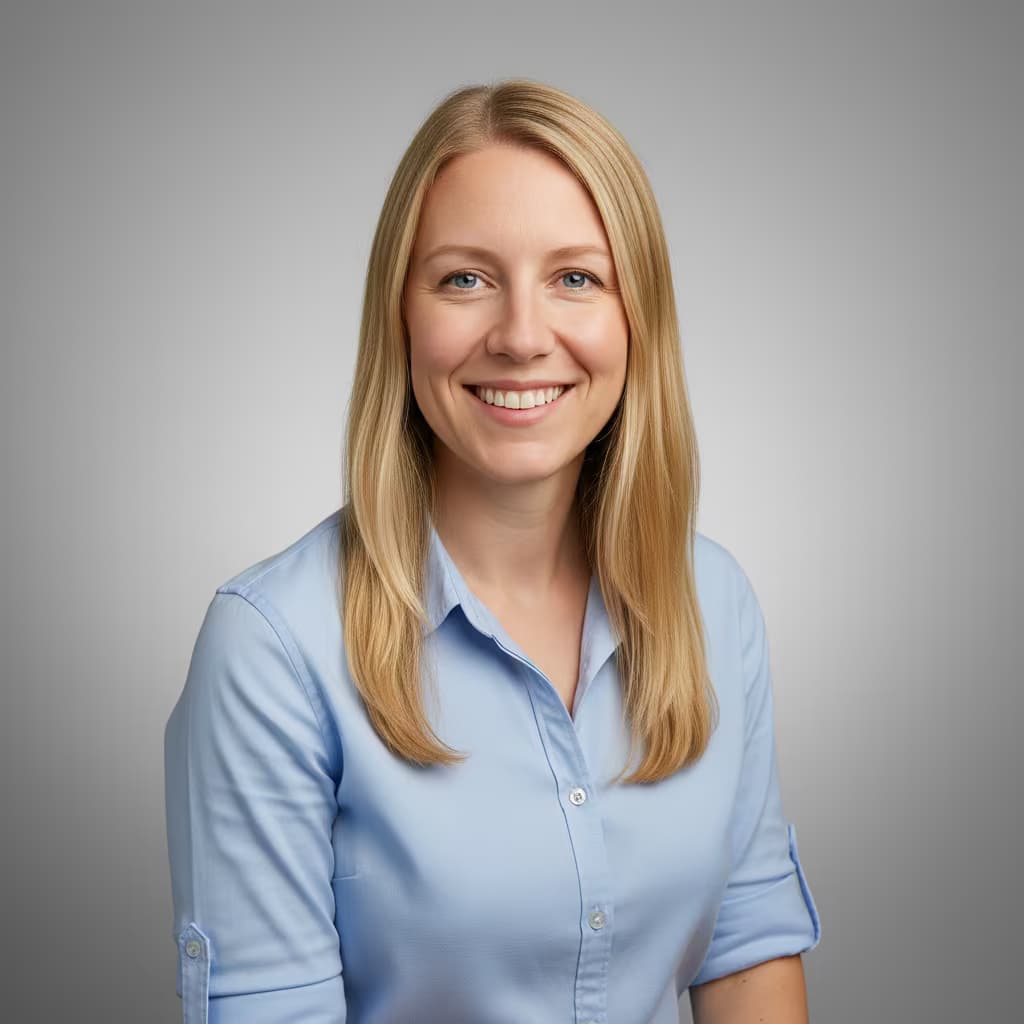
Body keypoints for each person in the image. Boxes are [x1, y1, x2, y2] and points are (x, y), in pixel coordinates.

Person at [163, 77, 822, 1024]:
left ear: (638, 320)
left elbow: (748, 953)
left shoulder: (714, 602)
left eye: (576, 278)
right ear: (402, 315)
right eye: (464, 278)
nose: (520, 336)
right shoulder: (272, 650)